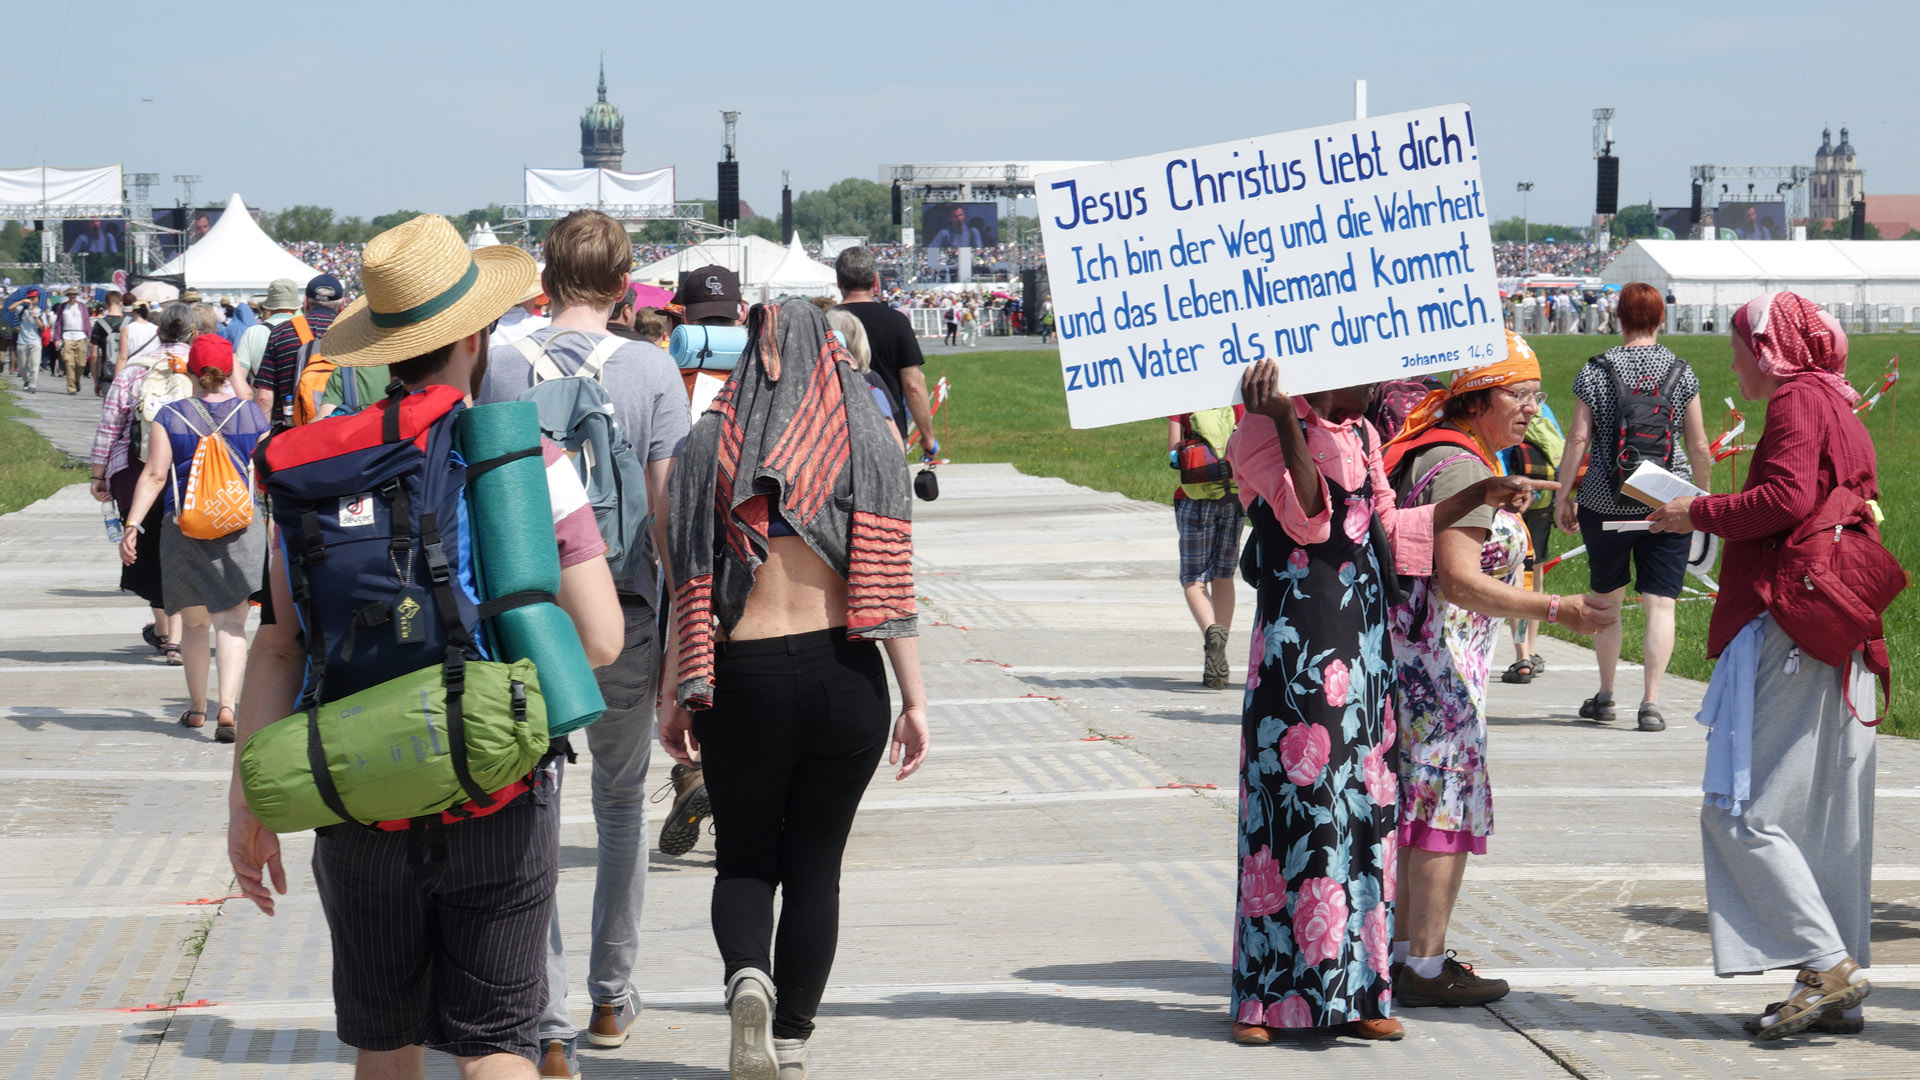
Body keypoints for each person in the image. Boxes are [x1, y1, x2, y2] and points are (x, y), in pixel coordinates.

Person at [226, 214, 624, 1079]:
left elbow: (280, 645)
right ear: (475, 336)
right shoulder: (527, 458)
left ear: (382, 347)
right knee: (497, 1045)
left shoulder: (306, 470)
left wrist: (246, 802)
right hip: (498, 795)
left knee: (386, 1045)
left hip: (358, 794)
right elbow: (600, 637)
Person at [1224, 361, 1552, 1043]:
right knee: (1300, 810)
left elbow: (1396, 529)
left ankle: (1362, 991)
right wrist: (1288, 420)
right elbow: (1307, 519)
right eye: (1362, 375)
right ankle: (1267, 1000)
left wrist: (1480, 494)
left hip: (1364, 645)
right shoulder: (1260, 427)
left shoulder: (1364, 435)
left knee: (1365, 812)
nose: (1376, 388)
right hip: (1301, 650)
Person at [661, 298, 929, 1080]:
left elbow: (687, 570)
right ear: (830, 353)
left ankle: (748, 977)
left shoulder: (709, 439)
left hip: (741, 676)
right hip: (844, 673)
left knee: (744, 860)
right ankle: (791, 1039)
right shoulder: (862, 438)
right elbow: (889, 581)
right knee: (816, 867)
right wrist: (914, 702)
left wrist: (682, 687)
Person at [476, 209, 691, 1077]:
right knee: (618, 803)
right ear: (623, 280)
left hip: (528, 613)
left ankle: (545, 1016)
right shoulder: (650, 369)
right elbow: (668, 515)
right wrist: (683, 636)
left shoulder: (496, 364)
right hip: (628, 609)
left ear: (546, 275)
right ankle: (611, 992)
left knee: (530, 812)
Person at [1646, 292, 1881, 1039]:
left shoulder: (1793, 400)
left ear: (1768, 348)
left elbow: (1787, 496)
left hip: (1787, 619)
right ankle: (1831, 971)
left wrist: (1699, 513)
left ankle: (1826, 964)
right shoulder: (1835, 400)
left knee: (1738, 808)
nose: (1735, 359)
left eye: (1740, 345)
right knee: (1826, 816)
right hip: (1835, 623)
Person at [1382, 340, 1617, 1007]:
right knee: (1439, 816)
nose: (1530, 409)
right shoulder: (1455, 468)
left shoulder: (1437, 452)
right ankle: (1422, 968)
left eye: (1537, 395)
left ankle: (1408, 954)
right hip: (1438, 671)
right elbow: (1458, 582)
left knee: (1427, 812)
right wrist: (1556, 609)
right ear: (1480, 396)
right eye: (1520, 394)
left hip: (1427, 663)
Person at [1554, 283, 1710, 731]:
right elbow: (1698, 443)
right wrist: (1700, 500)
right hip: (1667, 500)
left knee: (1606, 600)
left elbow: (1579, 438)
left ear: (1618, 318)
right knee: (1661, 604)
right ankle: (1651, 703)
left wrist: (1564, 494)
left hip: (1606, 499)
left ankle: (1605, 696)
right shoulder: (1683, 371)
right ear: (1661, 319)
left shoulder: (1596, 369)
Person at [117, 334, 269, 740]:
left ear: (190, 371)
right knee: (232, 624)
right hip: (240, 526)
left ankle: (198, 709)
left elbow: (153, 475)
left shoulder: (170, 416)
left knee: (195, 623)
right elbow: (266, 476)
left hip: (183, 526)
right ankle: (227, 709)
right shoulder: (253, 417)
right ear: (229, 371)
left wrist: (132, 525)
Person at [92, 300, 193, 665]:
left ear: (158, 331)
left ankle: (165, 631)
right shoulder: (200, 369)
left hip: (135, 471)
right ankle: (176, 640)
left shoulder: (134, 370)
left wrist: (98, 474)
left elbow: (110, 425)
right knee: (183, 549)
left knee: (148, 548)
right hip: (188, 472)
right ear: (192, 333)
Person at [833, 248, 939, 458]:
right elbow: (913, 385)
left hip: (838, 433)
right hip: (888, 429)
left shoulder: (825, 322)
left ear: (838, 282)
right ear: (875, 280)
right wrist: (928, 437)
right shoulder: (896, 321)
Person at [1167, 406, 1244, 689]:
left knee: (1194, 577)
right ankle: (1219, 650)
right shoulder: (1235, 400)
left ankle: (1212, 633)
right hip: (1234, 496)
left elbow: (1174, 453)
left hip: (1194, 499)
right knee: (1223, 575)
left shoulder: (1182, 399)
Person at [1499, 401, 1564, 684]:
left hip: (1509, 490)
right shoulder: (1542, 407)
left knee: (1516, 574)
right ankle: (1533, 650)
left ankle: (1521, 655)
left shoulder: (1497, 405)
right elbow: (1559, 451)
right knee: (1534, 571)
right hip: (1541, 497)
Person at [253, 273, 345, 424]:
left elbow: (264, 397)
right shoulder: (352, 335)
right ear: (342, 304)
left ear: (305, 302)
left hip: (289, 431)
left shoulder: (281, 332)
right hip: (339, 431)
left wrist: (263, 438)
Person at [239, 279, 300, 387]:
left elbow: (240, 375)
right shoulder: (304, 331)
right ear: (295, 308)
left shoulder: (253, 332)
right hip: (298, 398)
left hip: (261, 397)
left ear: (269, 308)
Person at [56, 286, 92, 394]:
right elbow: (58, 323)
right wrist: (57, 338)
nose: (72, 297)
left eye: (74, 295)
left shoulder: (82, 306)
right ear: (67, 296)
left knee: (81, 363)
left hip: (80, 335)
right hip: (67, 336)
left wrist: (89, 336)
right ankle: (71, 387)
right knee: (69, 362)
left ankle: (77, 380)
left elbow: (87, 321)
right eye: (70, 294)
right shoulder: (63, 307)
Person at [89, 288, 126, 394]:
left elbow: (95, 356)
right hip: (125, 374)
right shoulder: (129, 323)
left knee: (109, 408)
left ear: (106, 304)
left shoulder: (99, 324)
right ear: (121, 303)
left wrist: (96, 381)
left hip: (107, 375)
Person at [12, 290, 46, 391]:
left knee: (34, 365)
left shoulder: (40, 312)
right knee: (22, 366)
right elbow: (11, 308)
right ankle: (26, 380)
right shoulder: (22, 309)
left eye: (34, 297)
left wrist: (35, 317)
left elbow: (43, 328)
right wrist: (22, 301)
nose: (32, 299)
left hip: (35, 341)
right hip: (22, 341)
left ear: (37, 299)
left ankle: (33, 385)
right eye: (30, 297)